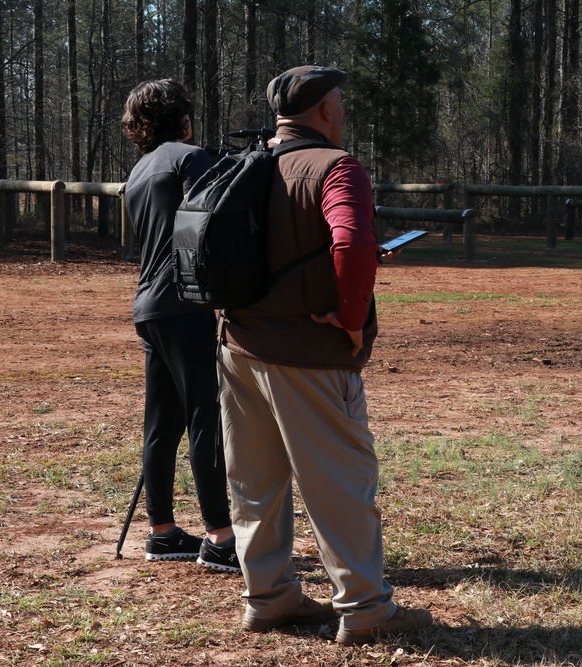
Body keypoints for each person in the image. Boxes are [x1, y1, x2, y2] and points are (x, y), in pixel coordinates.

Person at [218, 65, 432, 644]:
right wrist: (352, 317)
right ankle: (364, 608)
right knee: (340, 479)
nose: (341, 108)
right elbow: (352, 242)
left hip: (237, 346)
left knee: (255, 482)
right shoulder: (337, 166)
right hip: (308, 353)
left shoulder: (247, 163)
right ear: (324, 112)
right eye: (338, 100)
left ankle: (268, 597)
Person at [121, 79, 238, 572]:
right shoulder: (187, 158)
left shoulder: (140, 170)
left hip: (149, 305)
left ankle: (163, 532)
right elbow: (214, 221)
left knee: (161, 423)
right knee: (204, 418)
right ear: (183, 118)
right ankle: (221, 537)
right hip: (182, 306)